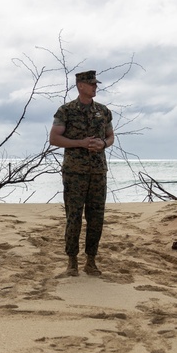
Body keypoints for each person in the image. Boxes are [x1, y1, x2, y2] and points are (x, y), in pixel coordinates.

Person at [49, 70, 114, 276]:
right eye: (92, 84)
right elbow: (54, 138)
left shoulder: (103, 111)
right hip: (74, 172)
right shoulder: (66, 111)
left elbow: (111, 136)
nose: (96, 87)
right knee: (74, 217)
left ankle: (91, 260)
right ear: (80, 86)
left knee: (96, 217)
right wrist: (80, 143)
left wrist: (103, 143)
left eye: (96, 84)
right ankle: (72, 260)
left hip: (97, 172)